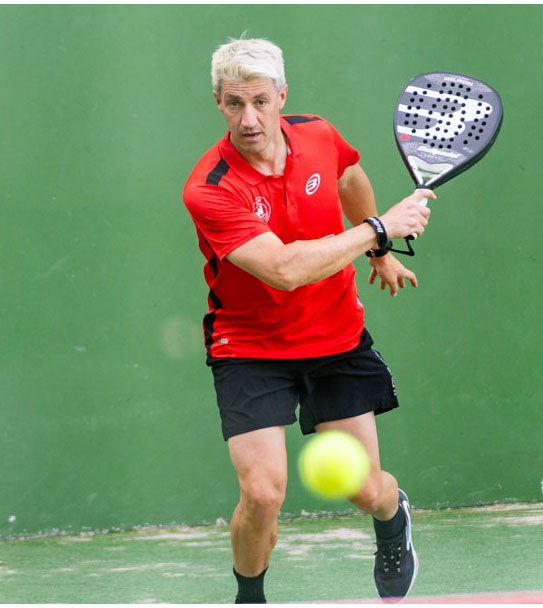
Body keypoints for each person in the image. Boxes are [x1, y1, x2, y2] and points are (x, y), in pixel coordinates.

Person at [182, 36, 434, 604]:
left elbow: (349, 179)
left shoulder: (318, 134)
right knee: (262, 493)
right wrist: (378, 230)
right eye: (234, 104)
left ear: (282, 96)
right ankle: (250, 598)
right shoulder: (210, 189)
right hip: (250, 347)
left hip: (335, 337)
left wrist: (380, 252)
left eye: (260, 101)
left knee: (365, 490)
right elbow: (285, 270)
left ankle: (392, 517)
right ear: (218, 103)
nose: (249, 119)